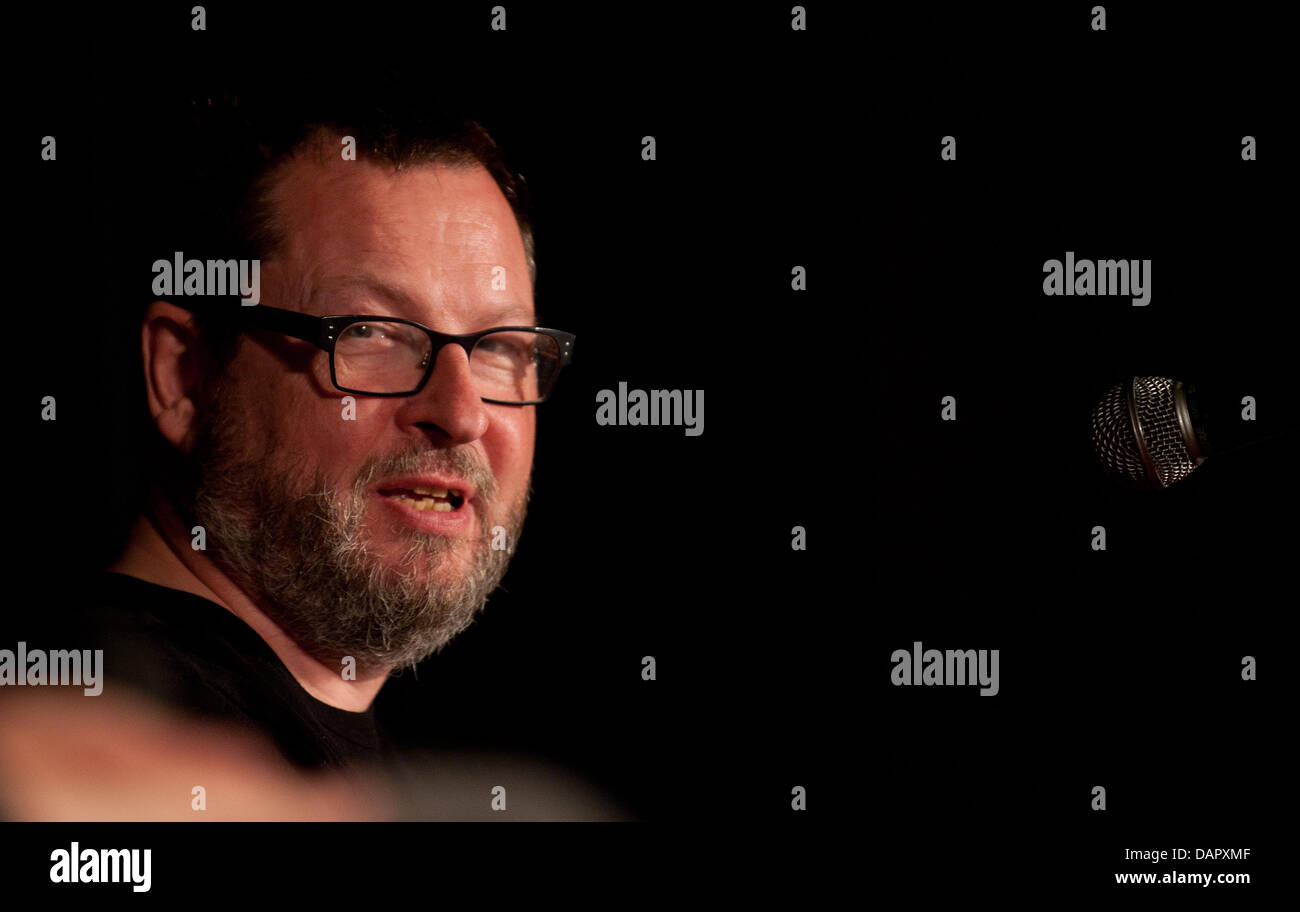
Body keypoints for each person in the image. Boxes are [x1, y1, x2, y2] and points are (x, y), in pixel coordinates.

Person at [52, 93, 575, 774]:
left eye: (501, 347)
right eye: (372, 332)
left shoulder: (331, 758)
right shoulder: (96, 739)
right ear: (184, 377)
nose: (461, 413)